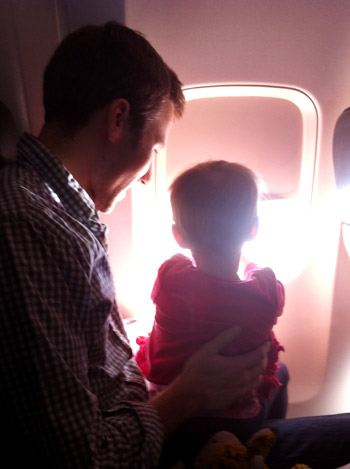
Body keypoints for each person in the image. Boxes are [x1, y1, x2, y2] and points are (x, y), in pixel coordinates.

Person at [0, 20, 349, 469]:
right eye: (153, 147)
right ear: (118, 118)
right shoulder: (26, 227)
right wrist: (190, 391)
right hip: (153, 443)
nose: (148, 174)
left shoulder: (63, 212)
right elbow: (85, 457)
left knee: (279, 374)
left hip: (148, 412)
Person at [135, 160, 287, 428]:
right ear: (254, 229)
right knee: (281, 376)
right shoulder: (264, 291)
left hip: (168, 405)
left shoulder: (170, 277)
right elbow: (259, 273)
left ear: (178, 236)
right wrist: (246, 262)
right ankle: (265, 442)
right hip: (235, 417)